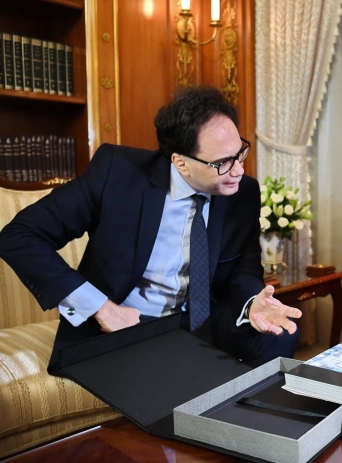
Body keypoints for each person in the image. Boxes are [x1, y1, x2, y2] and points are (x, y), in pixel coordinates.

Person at [0, 85, 301, 373]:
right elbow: (19, 236)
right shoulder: (118, 174)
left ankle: (241, 411)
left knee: (280, 334)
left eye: (240, 153)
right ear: (180, 162)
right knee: (170, 379)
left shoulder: (242, 192)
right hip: (131, 324)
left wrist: (252, 304)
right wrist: (103, 308)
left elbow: (243, 271)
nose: (239, 170)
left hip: (201, 319)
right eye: (223, 162)